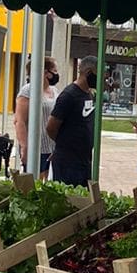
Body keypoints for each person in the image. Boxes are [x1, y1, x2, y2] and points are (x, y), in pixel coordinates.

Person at [48, 57, 97, 187]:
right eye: (100, 75)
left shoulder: (89, 94)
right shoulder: (69, 95)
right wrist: (64, 143)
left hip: (84, 160)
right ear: (89, 72)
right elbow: (51, 127)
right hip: (68, 162)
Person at [14, 56, 59, 177]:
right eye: (54, 71)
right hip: (36, 146)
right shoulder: (27, 91)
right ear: (45, 72)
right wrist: (24, 146)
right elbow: (20, 121)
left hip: (51, 146)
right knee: (34, 180)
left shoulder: (54, 91)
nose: (56, 74)